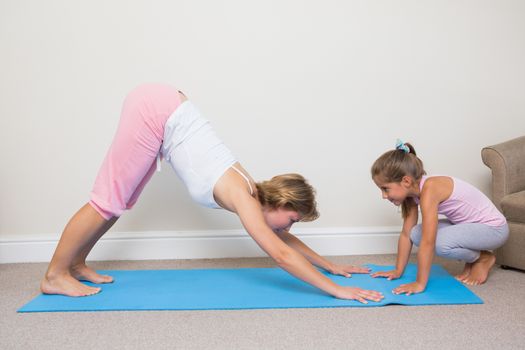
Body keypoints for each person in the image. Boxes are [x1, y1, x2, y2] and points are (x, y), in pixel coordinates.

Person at [41, 83, 384, 304]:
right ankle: (55, 275)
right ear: (281, 203)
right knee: (107, 201)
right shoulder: (243, 196)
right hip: (156, 111)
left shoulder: (252, 191)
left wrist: (329, 265)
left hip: (163, 109)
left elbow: (279, 238)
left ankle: (76, 263)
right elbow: (279, 253)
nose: (290, 228)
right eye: (293, 219)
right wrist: (338, 291)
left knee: (119, 202)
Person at [370, 140, 509, 295]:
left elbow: (429, 242)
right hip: (470, 227)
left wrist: (419, 283)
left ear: (406, 181)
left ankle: (482, 258)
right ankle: (476, 258)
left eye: (385, 189)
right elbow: (406, 234)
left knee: (439, 243)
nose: (383, 196)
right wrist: (397, 270)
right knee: (415, 234)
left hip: (494, 229)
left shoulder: (430, 189)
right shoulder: (411, 194)